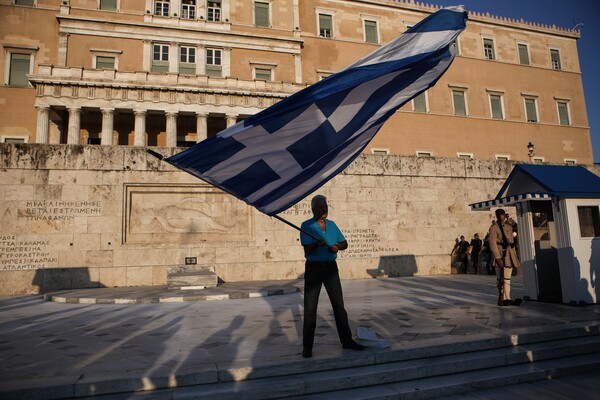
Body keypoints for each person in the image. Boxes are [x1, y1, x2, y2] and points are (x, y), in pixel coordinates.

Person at [299, 195, 365, 358]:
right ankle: (307, 347)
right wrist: (316, 243)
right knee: (310, 308)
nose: (324, 209)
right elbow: (308, 249)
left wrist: (337, 247)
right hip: (314, 268)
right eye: (321, 207)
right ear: (313, 209)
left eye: (326, 206)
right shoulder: (306, 226)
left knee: (339, 306)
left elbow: (345, 243)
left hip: (330, 268)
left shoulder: (332, 225)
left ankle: (347, 341)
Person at [487, 209, 522, 306]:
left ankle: (508, 298)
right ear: (498, 216)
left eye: (504, 215)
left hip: (509, 253)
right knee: (500, 278)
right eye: (502, 215)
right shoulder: (494, 228)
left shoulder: (509, 225)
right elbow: (492, 243)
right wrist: (497, 258)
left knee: (507, 278)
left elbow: (517, 230)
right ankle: (502, 297)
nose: (504, 216)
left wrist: (512, 222)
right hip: (501, 254)